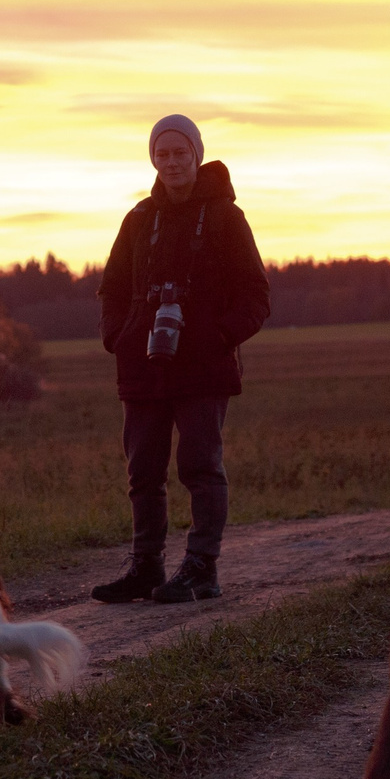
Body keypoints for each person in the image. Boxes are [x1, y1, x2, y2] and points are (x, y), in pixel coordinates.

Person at [93, 114, 271, 604]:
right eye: (162, 153)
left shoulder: (224, 218)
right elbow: (111, 288)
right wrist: (119, 336)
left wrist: (217, 336)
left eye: (180, 152)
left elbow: (256, 294)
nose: (171, 162)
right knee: (143, 473)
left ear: (196, 154)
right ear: (153, 158)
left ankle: (201, 568)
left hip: (203, 368)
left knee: (200, 467)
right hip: (142, 365)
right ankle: (146, 567)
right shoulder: (138, 220)